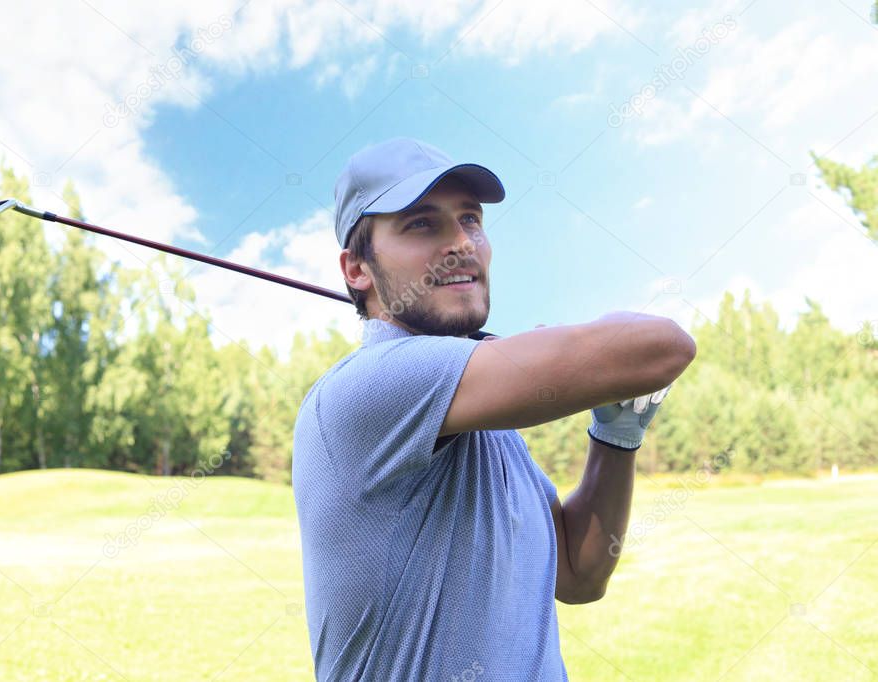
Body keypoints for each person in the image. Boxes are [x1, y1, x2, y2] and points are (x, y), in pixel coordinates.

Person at [291, 137, 697, 681]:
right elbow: (664, 345)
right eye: (421, 224)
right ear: (357, 268)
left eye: (471, 220)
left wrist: (616, 438)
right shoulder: (374, 385)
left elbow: (579, 574)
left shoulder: (490, 428)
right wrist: (566, 349)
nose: (463, 244)